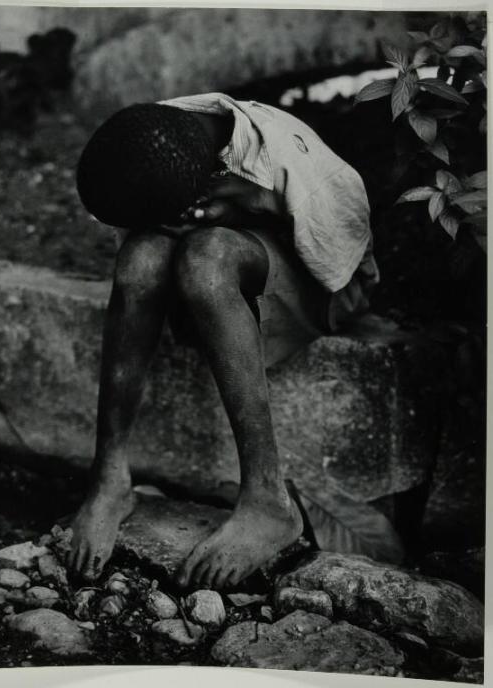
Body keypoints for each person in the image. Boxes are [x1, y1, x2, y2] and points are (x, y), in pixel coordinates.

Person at [69, 92, 379, 589]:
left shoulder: (295, 167)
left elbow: (340, 272)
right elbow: (147, 227)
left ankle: (267, 501)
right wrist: (187, 223)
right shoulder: (161, 136)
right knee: (139, 261)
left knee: (206, 259)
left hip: (323, 280)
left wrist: (228, 223)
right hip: (226, 251)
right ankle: (109, 478)